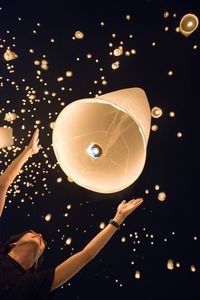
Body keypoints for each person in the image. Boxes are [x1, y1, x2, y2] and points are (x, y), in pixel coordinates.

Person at [0, 129, 144, 299]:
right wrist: (29, 151)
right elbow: (3, 186)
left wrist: (118, 219)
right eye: (31, 234)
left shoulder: (36, 283)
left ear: (36, 262)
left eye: (41, 242)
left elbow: (86, 254)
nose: (39, 235)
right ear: (13, 245)